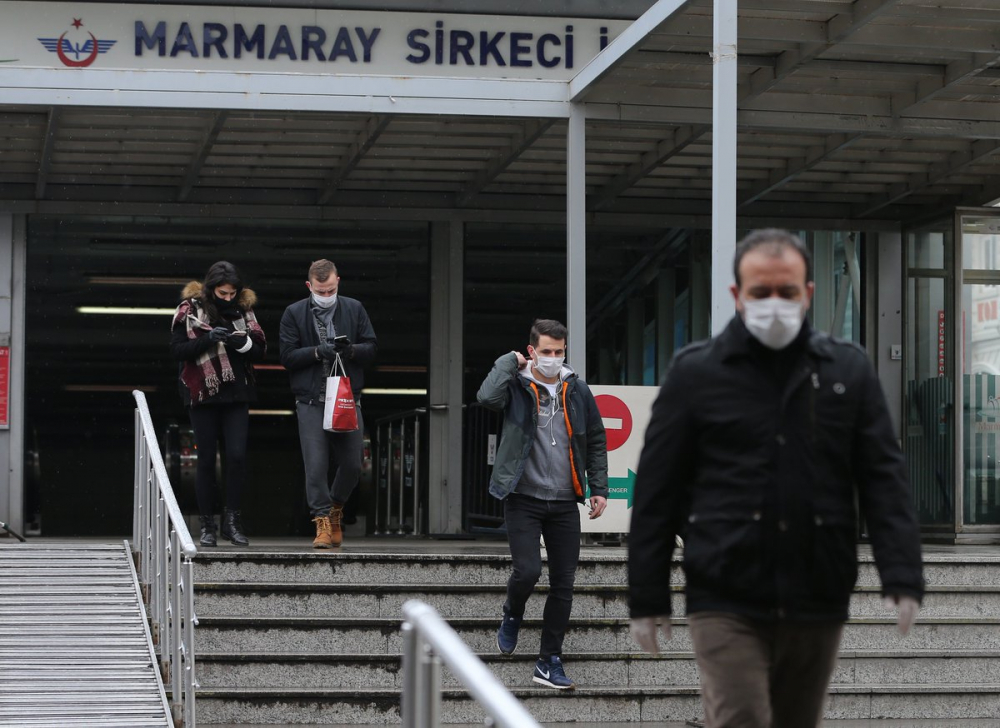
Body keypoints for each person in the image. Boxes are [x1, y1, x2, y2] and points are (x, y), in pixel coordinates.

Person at [627, 229, 924, 728]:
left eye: (786, 292)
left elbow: (882, 476)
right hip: (725, 591)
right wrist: (647, 594)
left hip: (817, 591)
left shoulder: (847, 370)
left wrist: (903, 572)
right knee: (740, 718)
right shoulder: (696, 373)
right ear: (736, 297)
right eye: (760, 292)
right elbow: (657, 489)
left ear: (808, 292)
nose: (774, 304)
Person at [476, 319, 609, 691]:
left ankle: (549, 660)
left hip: (565, 502)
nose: (553, 358)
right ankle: (512, 614)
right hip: (524, 499)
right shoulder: (516, 386)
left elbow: (595, 439)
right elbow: (486, 398)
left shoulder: (577, 390)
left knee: (563, 584)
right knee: (528, 572)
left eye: (559, 351)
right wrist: (508, 361)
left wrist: (598, 487)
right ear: (532, 350)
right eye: (546, 351)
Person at [279, 259, 376, 548]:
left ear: (338, 282)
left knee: (352, 464)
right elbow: (287, 357)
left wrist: (352, 350)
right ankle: (321, 519)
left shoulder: (354, 308)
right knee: (316, 464)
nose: (326, 295)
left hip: (347, 396)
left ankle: (336, 507)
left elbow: (372, 348)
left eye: (330, 289)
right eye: (320, 291)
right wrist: (318, 352)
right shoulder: (294, 313)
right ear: (309, 286)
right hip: (310, 399)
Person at [170, 261, 266, 547]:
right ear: (211, 289)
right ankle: (207, 525)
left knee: (236, 456)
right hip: (203, 393)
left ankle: (232, 522)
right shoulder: (189, 310)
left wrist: (242, 344)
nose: (228, 298)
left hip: (238, 391)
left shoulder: (245, 311)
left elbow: (260, 350)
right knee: (206, 460)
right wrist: (209, 339)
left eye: (232, 293)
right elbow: (177, 350)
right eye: (223, 293)